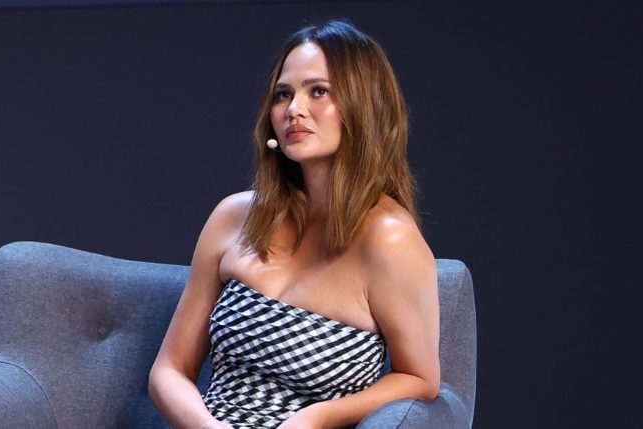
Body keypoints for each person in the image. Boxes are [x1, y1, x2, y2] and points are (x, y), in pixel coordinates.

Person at [148, 19, 439, 429]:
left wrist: (315, 417)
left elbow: (421, 378)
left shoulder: (389, 237)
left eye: (318, 91)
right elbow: (168, 370)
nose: (294, 109)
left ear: (363, 105)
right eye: (283, 94)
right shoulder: (234, 216)